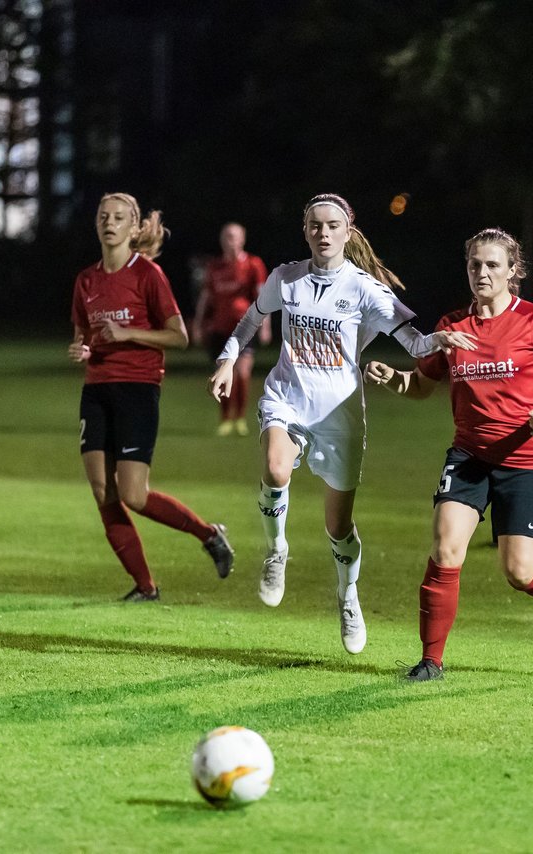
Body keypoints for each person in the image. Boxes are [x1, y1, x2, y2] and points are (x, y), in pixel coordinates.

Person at [209, 193, 477, 655]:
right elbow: (250, 321)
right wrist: (227, 359)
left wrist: (441, 338)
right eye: (315, 225)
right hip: (287, 399)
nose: (324, 233)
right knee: (275, 470)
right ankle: (277, 551)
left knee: (338, 526)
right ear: (306, 230)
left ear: (348, 231)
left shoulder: (364, 289)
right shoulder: (286, 277)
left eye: (333, 225)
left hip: (339, 414)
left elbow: (413, 344)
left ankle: (347, 595)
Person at [365, 228, 533, 681]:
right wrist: (392, 378)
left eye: (492, 265)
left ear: (512, 271)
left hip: (526, 457)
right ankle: (431, 661)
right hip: (468, 456)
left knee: (519, 572)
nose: (482, 273)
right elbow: (421, 387)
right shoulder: (451, 327)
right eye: (474, 265)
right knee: (446, 549)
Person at [69, 192, 235, 601]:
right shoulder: (86, 280)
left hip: (138, 389)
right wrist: (82, 349)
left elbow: (179, 336)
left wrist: (129, 334)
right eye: (103, 215)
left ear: (133, 226)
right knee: (101, 492)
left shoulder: (148, 274)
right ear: (96, 224)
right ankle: (146, 587)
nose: (110, 222)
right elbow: (83, 335)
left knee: (133, 494)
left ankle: (208, 534)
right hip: (96, 389)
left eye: (119, 217)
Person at [192, 222, 269, 436]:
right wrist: (199, 324)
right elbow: (206, 298)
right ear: (221, 240)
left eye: (234, 236)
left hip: (245, 328)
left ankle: (240, 418)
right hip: (219, 328)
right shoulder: (214, 267)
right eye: (226, 236)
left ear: (242, 239)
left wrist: (266, 325)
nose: (230, 240)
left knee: (243, 371)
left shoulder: (253, 264)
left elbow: (263, 298)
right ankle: (225, 418)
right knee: (222, 373)